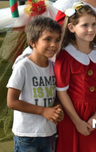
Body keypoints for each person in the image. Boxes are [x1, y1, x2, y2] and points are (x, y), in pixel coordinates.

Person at [6, 16, 64, 152]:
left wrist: (57, 110)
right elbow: (11, 102)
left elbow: (55, 96)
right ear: (33, 42)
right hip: (27, 135)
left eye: (57, 40)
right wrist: (43, 111)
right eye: (48, 39)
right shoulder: (23, 67)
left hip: (49, 133)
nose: (54, 45)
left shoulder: (54, 66)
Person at [54, 3, 96, 152]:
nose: (91, 29)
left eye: (93, 24)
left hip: (93, 115)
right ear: (71, 28)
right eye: (85, 25)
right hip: (72, 115)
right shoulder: (65, 57)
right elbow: (62, 92)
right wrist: (77, 121)